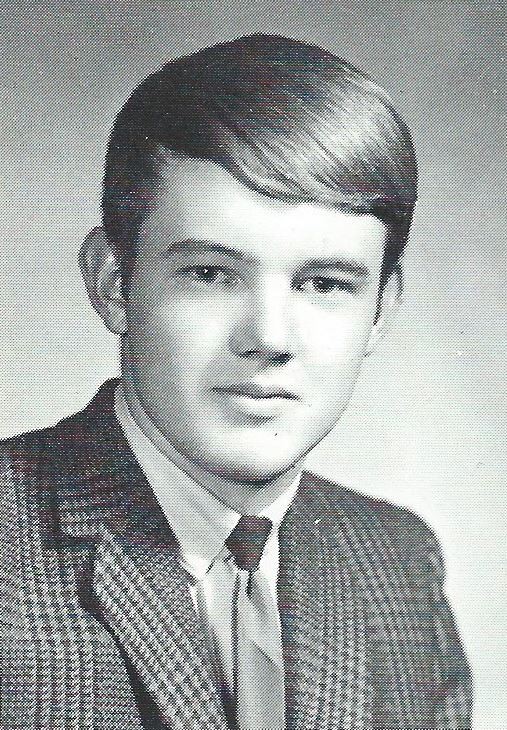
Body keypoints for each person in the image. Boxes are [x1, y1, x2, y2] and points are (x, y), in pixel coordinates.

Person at [0, 34, 472, 729]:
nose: (270, 338)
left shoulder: (398, 563)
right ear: (112, 283)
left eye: (324, 284)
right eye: (211, 274)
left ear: (380, 310)